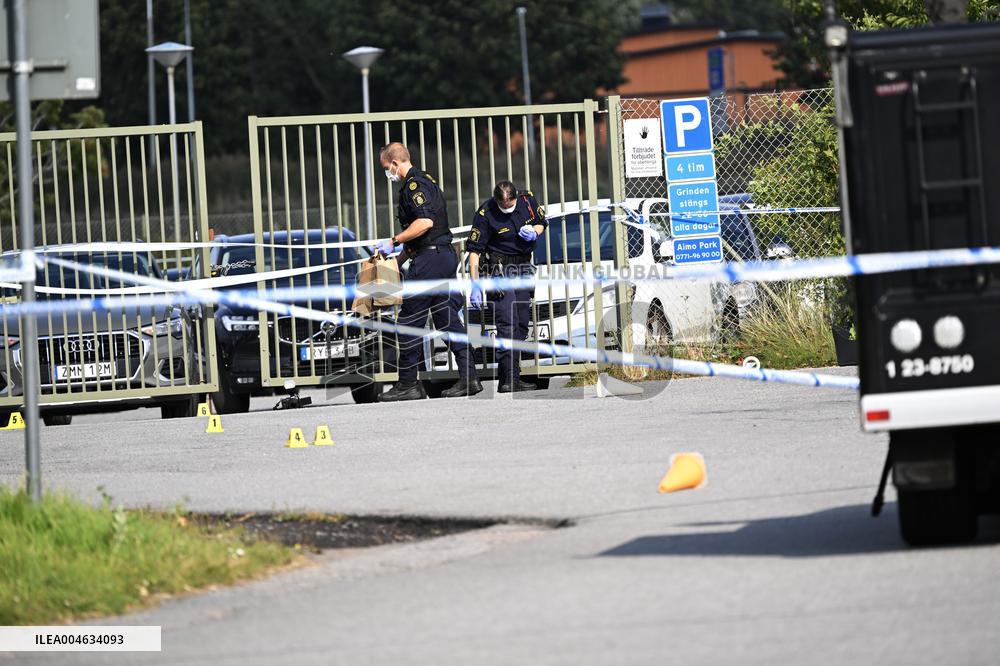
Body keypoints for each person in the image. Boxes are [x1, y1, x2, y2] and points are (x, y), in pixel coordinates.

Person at [374, 142, 481, 401]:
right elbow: (422, 236)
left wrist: (393, 240)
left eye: (386, 168)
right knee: (446, 319)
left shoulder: (414, 186)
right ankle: (469, 378)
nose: (387, 173)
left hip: (430, 260)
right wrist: (397, 262)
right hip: (440, 255)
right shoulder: (426, 181)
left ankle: (408, 384)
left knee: (409, 320)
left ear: (395, 164)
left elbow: (425, 223)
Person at [466, 180, 547, 392]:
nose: (507, 209)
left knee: (520, 324)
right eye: (504, 207)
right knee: (507, 323)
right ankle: (510, 379)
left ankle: (510, 375)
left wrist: (535, 232)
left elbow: (541, 222)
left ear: (516, 198)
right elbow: (474, 251)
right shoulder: (486, 213)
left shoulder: (527, 200)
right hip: (498, 270)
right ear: (496, 201)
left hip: (523, 267)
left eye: (511, 205)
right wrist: (474, 284)